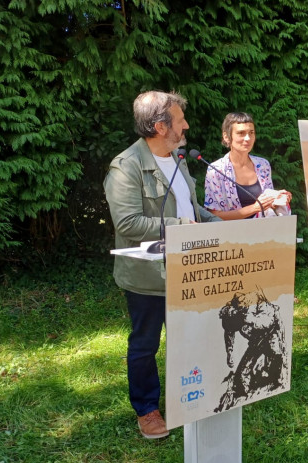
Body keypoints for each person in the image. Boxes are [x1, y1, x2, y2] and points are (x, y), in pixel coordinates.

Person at [104, 91, 220, 439]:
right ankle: (147, 409)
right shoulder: (126, 166)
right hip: (149, 277)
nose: (186, 125)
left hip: (191, 270)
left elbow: (192, 209)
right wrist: (183, 229)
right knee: (145, 344)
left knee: (193, 338)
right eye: (179, 119)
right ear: (158, 126)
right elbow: (127, 223)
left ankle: (192, 398)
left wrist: (218, 225)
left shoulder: (179, 159)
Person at [204, 112, 291, 219]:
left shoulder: (263, 165)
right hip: (232, 233)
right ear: (226, 136)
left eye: (251, 132)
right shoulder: (216, 170)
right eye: (241, 133)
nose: (248, 138)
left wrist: (277, 199)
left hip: (264, 232)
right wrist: (255, 208)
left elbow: (268, 207)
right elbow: (213, 216)